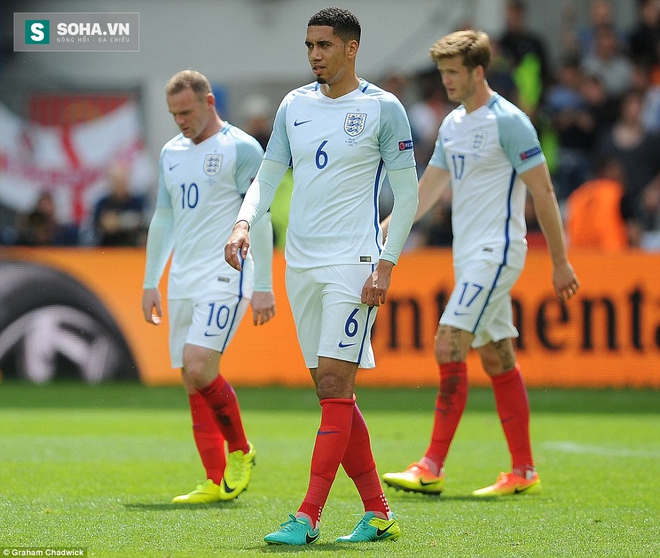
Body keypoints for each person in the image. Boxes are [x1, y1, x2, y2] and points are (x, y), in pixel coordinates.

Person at [225, 7, 418, 545]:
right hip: (301, 264)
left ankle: (307, 517)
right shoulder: (294, 105)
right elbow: (268, 174)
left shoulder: (383, 109)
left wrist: (386, 263)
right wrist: (243, 222)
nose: (314, 55)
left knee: (335, 385)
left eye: (324, 46)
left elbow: (407, 195)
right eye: (309, 45)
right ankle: (378, 512)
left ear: (351, 48)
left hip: (354, 264)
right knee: (332, 392)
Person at [381, 29, 579, 498]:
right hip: (468, 255)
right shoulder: (452, 124)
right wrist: (387, 226)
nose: (446, 81)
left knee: (449, 343)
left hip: (498, 251)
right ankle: (524, 471)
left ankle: (430, 465)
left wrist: (560, 261)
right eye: (442, 72)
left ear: (477, 71)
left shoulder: (509, 122)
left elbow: (544, 192)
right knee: (495, 355)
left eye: (453, 72)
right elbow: (429, 189)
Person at [141, 70, 275, 504]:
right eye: (173, 114)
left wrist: (264, 284)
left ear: (209, 101)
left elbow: (262, 214)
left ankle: (241, 449)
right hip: (183, 277)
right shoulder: (171, 153)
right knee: (190, 378)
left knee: (199, 365)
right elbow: (164, 217)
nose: (180, 120)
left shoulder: (240, 147)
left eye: (186, 111)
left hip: (228, 273)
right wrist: (150, 281)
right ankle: (214, 481)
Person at [92, 161, 148, 246]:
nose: (120, 185)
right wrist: (103, 225)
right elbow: (94, 228)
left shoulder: (138, 202)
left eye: (123, 181)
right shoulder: (103, 204)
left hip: (133, 249)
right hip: (108, 249)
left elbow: (146, 222)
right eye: (117, 181)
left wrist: (119, 222)